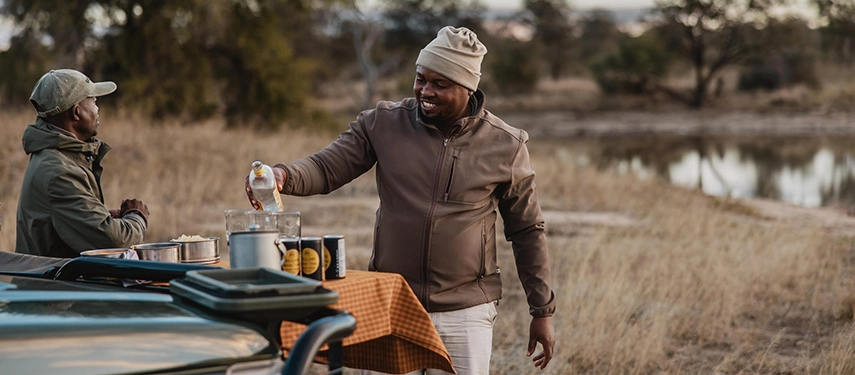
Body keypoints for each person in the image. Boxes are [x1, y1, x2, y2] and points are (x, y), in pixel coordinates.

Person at [246, 26, 555, 374]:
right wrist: (283, 175)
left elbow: (528, 231)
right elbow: (325, 167)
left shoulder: (505, 145)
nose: (426, 90)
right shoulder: (383, 123)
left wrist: (541, 311)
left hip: (465, 311)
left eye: (440, 84)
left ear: (468, 88)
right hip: (391, 301)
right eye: (421, 78)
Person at [16, 69, 149, 258]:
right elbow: (114, 240)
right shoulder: (60, 172)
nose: (97, 109)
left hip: (51, 281)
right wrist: (137, 217)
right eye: (94, 101)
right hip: (54, 285)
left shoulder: (55, 157)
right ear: (77, 112)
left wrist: (99, 215)